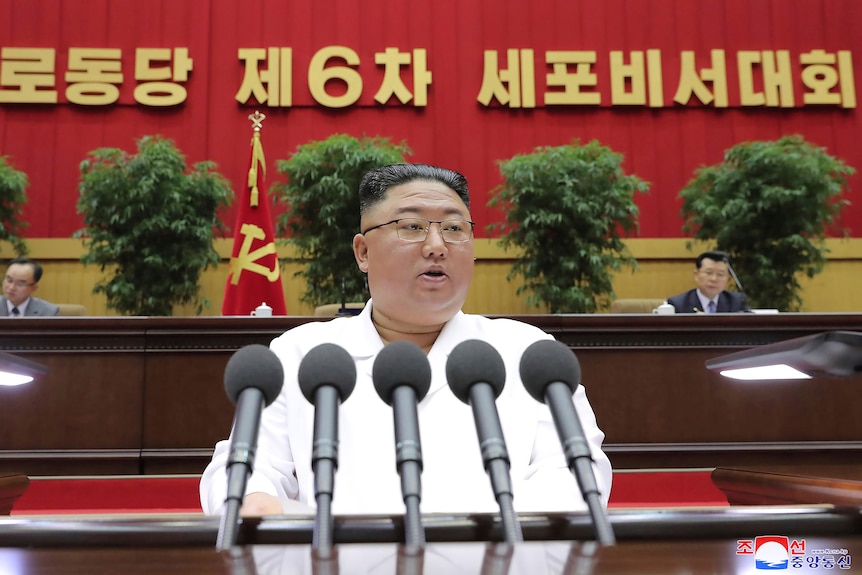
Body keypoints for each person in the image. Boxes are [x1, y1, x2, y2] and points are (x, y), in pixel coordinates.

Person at [200, 163, 612, 517]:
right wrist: (254, 499)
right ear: (362, 252)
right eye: (411, 227)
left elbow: (576, 469)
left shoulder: (528, 353)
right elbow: (246, 467)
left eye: (454, 229)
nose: (436, 246)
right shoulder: (301, 354)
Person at [667, 251, 750, 314]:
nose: (714, 279)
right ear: (696, 275)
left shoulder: (737, 302)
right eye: (708, 273)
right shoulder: (678, 304)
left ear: (728, 279)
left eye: (720, 274)